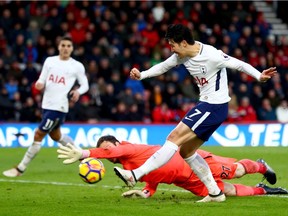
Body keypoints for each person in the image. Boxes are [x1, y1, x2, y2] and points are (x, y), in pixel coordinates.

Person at [115, 24, 277, 202]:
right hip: (207, 105)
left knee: (173, 138)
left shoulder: (212, 55)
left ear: (183, 43)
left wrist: (258, 76)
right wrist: (142, 75)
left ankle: (135, 175)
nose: (171, 49)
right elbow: (163, 66)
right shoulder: (181, 55)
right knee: (186, 151)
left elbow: (238, 64)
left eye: (172, 44)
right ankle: (215, 193)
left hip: (214, 105)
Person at [57, 135, 287, 198]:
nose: (108, 154)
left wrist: (85, 153)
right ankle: (262, 189)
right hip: (185, 181)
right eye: (105, 152)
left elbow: (111, 151)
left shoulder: (127, 148)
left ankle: (260, 165)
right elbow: (154, 177)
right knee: (227, 191)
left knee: (235, 171)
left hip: (194, 162)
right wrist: (145, 192)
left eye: (108, 148)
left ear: (117, 144)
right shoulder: (127, 164)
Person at [3, 36, 89, 177]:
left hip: (59, 106)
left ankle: (20, 168)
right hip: (47, 104)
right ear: (58, 46)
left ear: (72, 48)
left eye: (68, 46)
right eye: (63, 45)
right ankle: (83, 155)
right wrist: (39, 84)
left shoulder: (77, 66)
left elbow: (85, 84)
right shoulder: (50, 61)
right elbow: (41, 80)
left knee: (38, 134)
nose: (66, 48)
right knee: (56, 136)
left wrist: (78, 92)